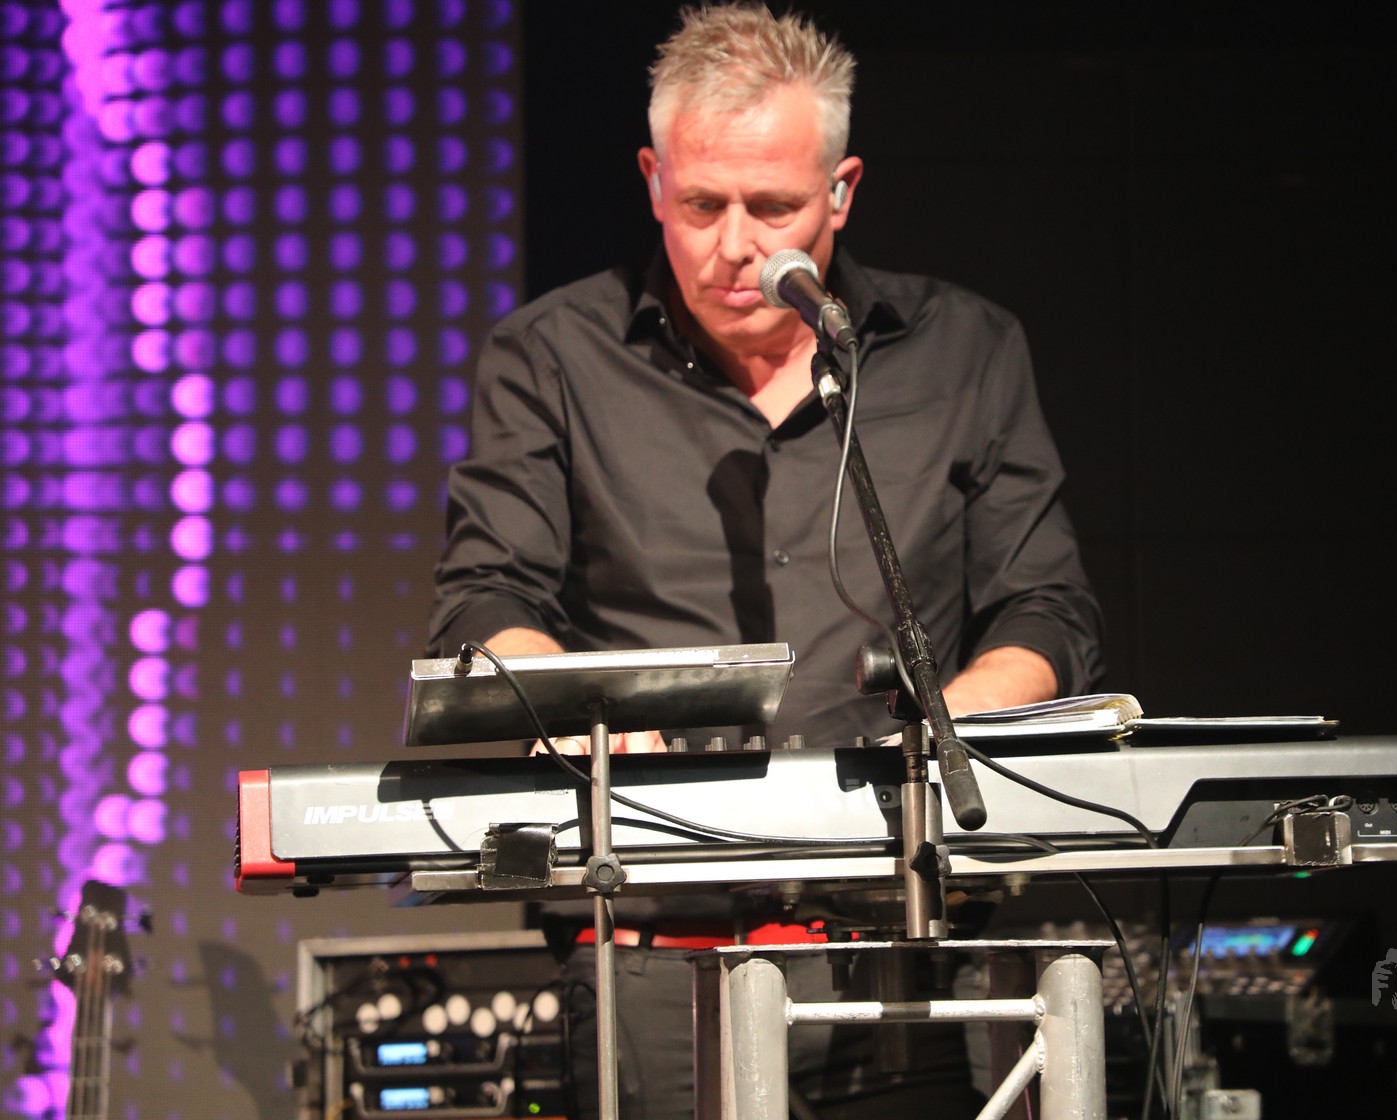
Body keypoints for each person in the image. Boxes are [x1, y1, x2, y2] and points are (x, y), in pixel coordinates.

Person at [425, 5, 1104, 1117]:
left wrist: (958, 715)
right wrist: (577, 705)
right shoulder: (551, 357)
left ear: (841, 191)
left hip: (903, 932)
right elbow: (482, 598)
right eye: (703, 204)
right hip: (652, 948)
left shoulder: (965, 351)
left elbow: (1049, 608)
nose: (736, 245)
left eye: (774, 207)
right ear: (653, 182)